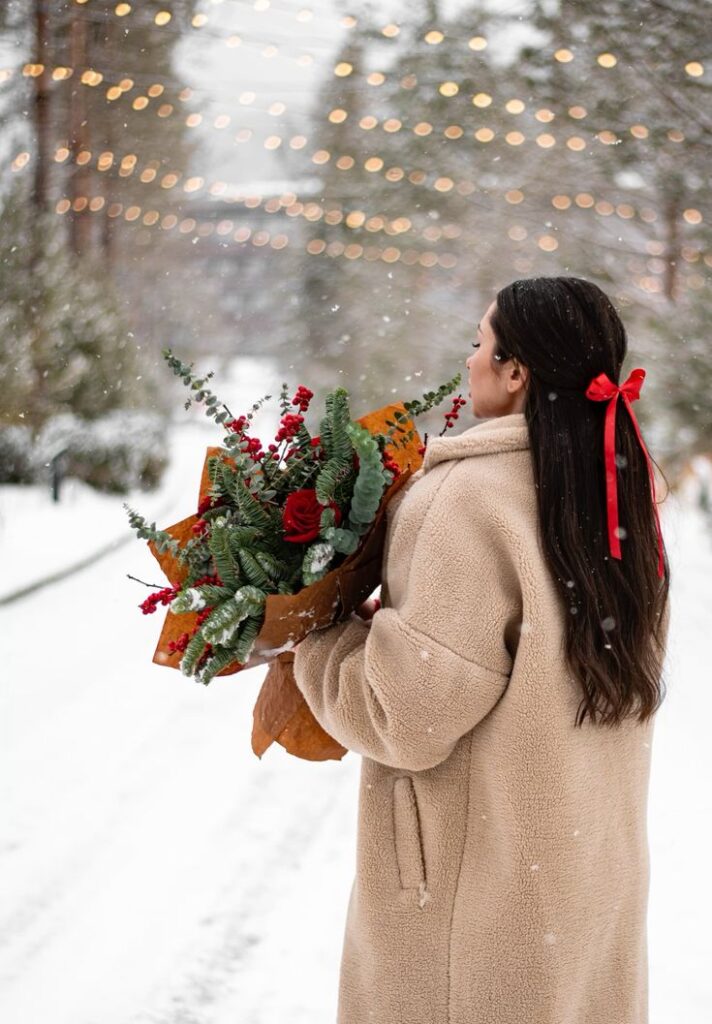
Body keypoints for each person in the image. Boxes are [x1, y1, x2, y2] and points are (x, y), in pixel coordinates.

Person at [292, 276, 671, 1024]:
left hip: (474, 909)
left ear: (517, 372)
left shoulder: (467, 499)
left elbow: (405, 717)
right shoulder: (622, 494)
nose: (468, 362)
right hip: (581, 881)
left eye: (479, 344)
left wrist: (316, 637)